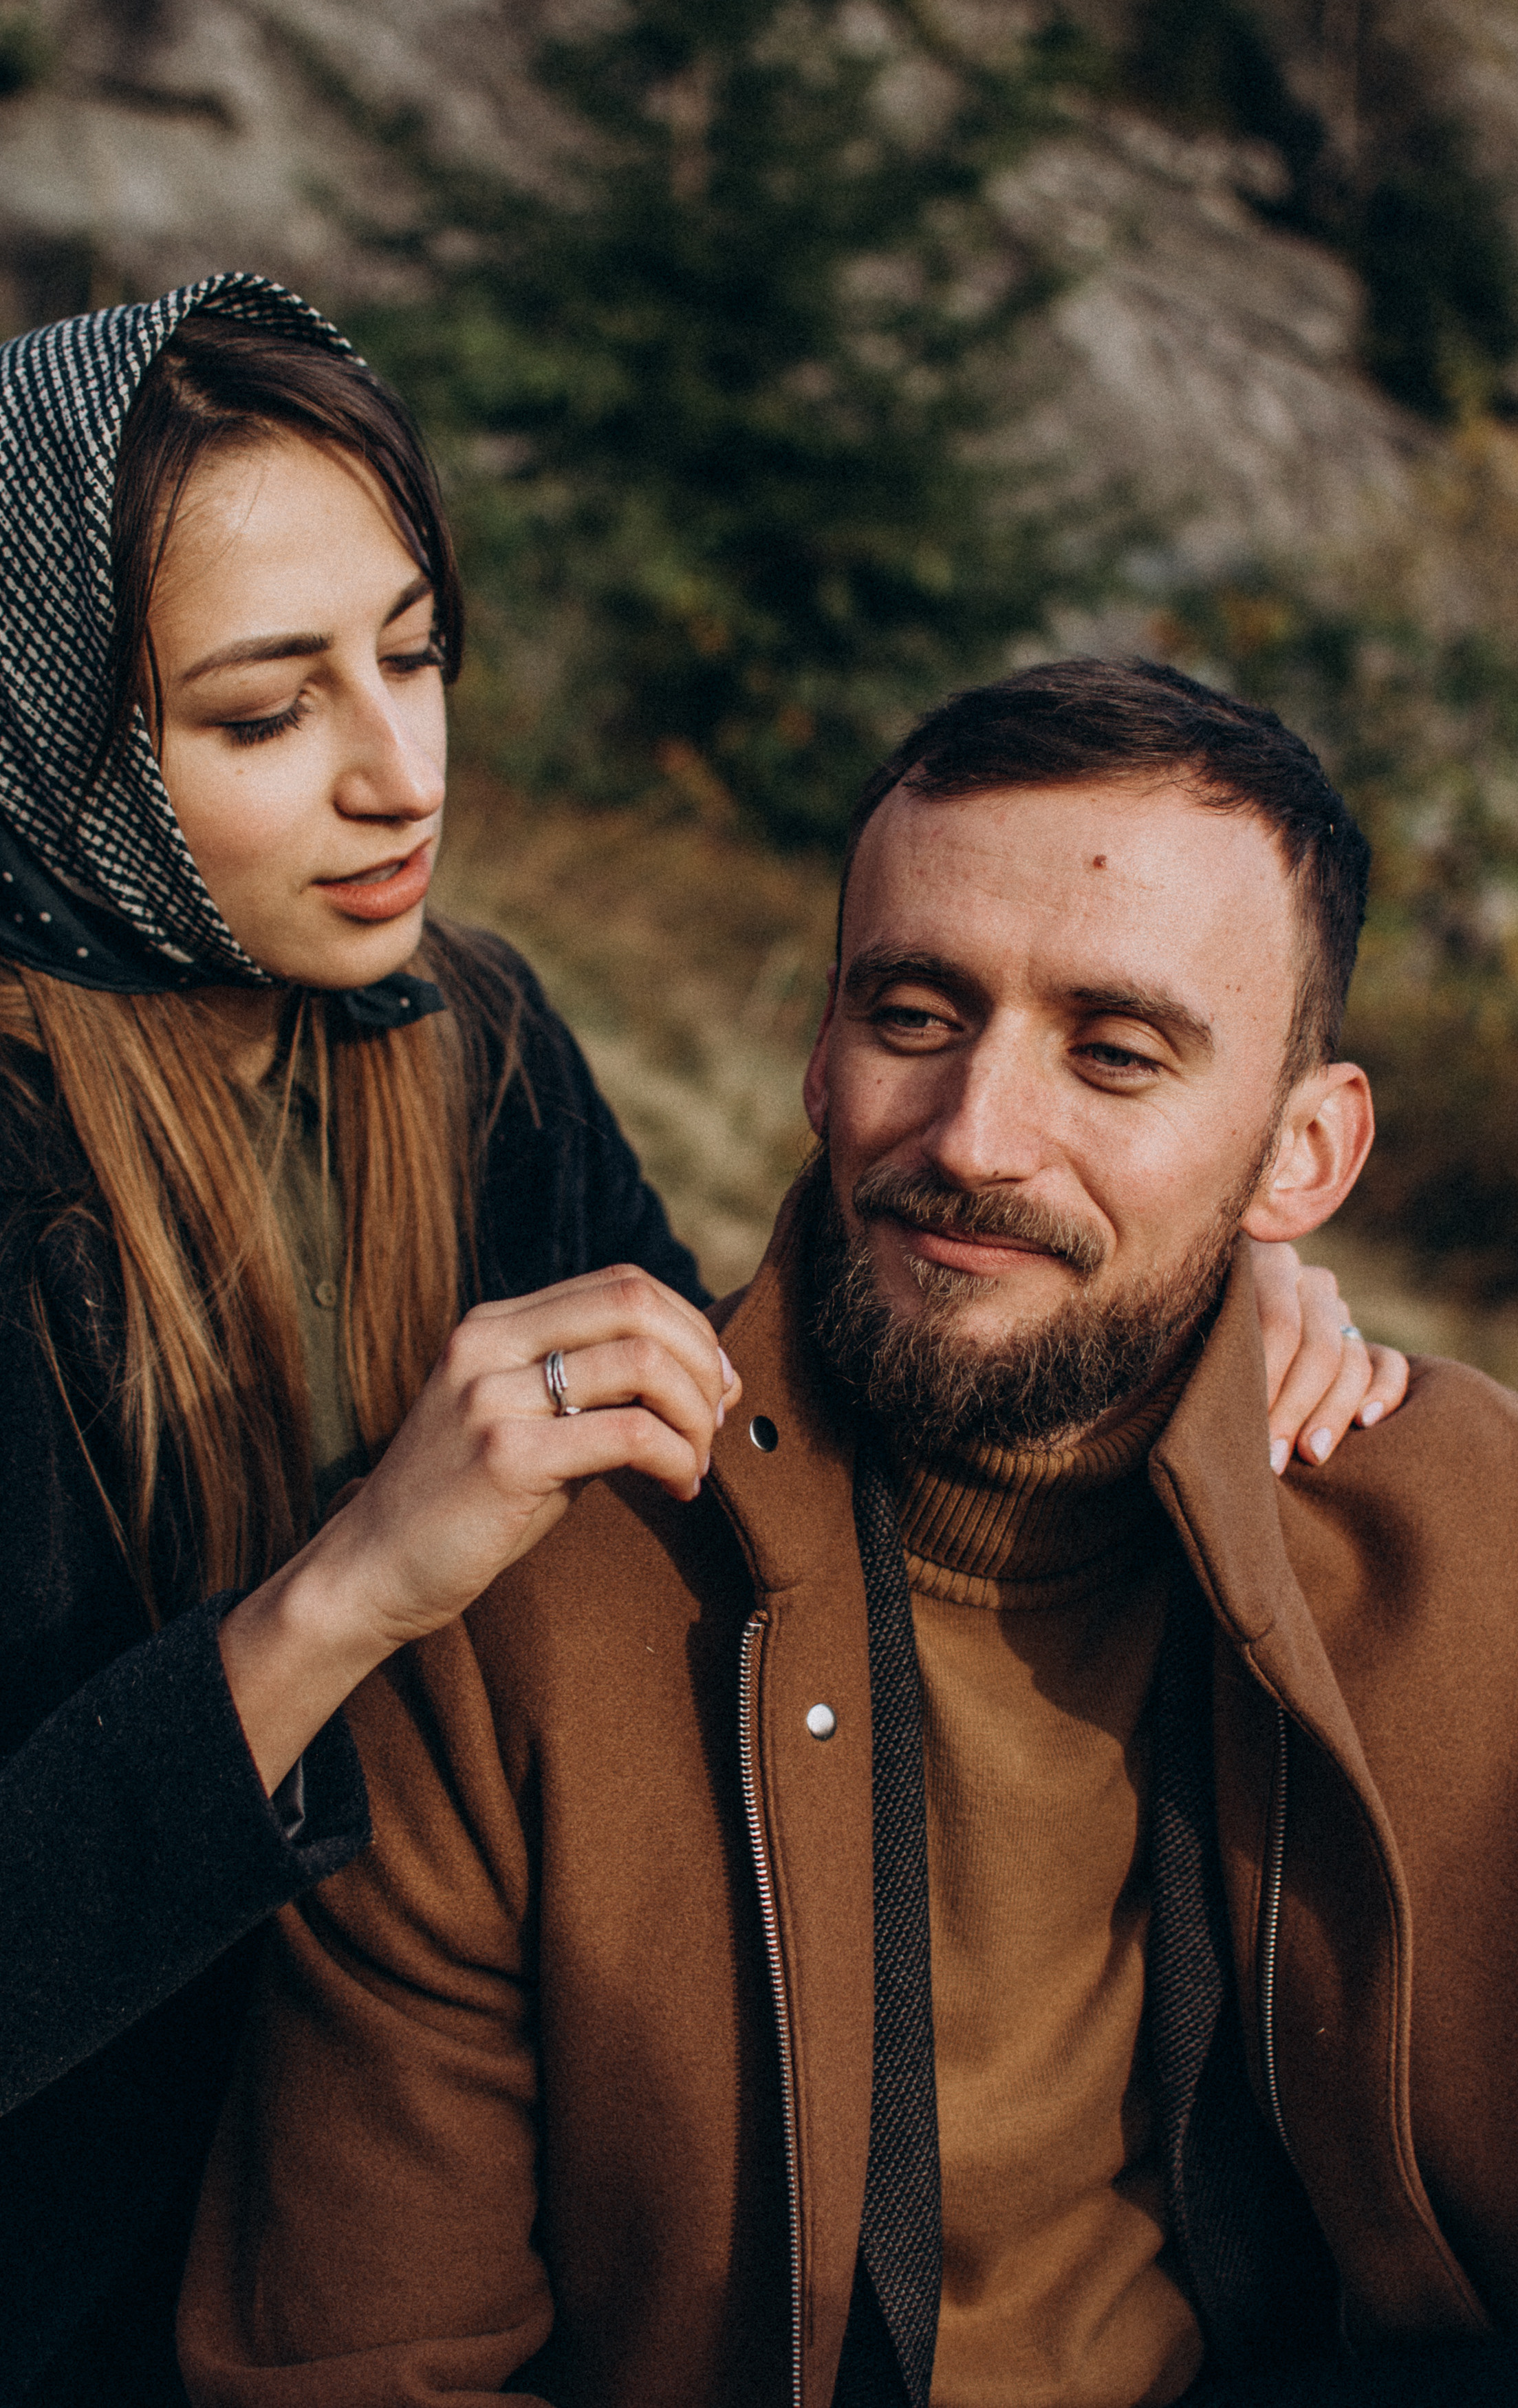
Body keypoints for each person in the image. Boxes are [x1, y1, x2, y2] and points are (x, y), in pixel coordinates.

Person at [0, 289, 1383, 2407]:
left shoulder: (466, 1045)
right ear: (53, 729)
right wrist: (344, 1592)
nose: (400, 769)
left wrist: (1185, 1264)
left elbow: (748, 1387)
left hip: (480, 2204)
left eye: (416, 649)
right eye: (265, 714)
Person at [181, 656, 1518, 2408]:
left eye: (1118, 1051)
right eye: (915, 1015)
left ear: (1301, 1155)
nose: (978, 1138)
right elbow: (353, 2367)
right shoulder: (519, 1604)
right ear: (818, 1050)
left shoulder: (1458, 1505)